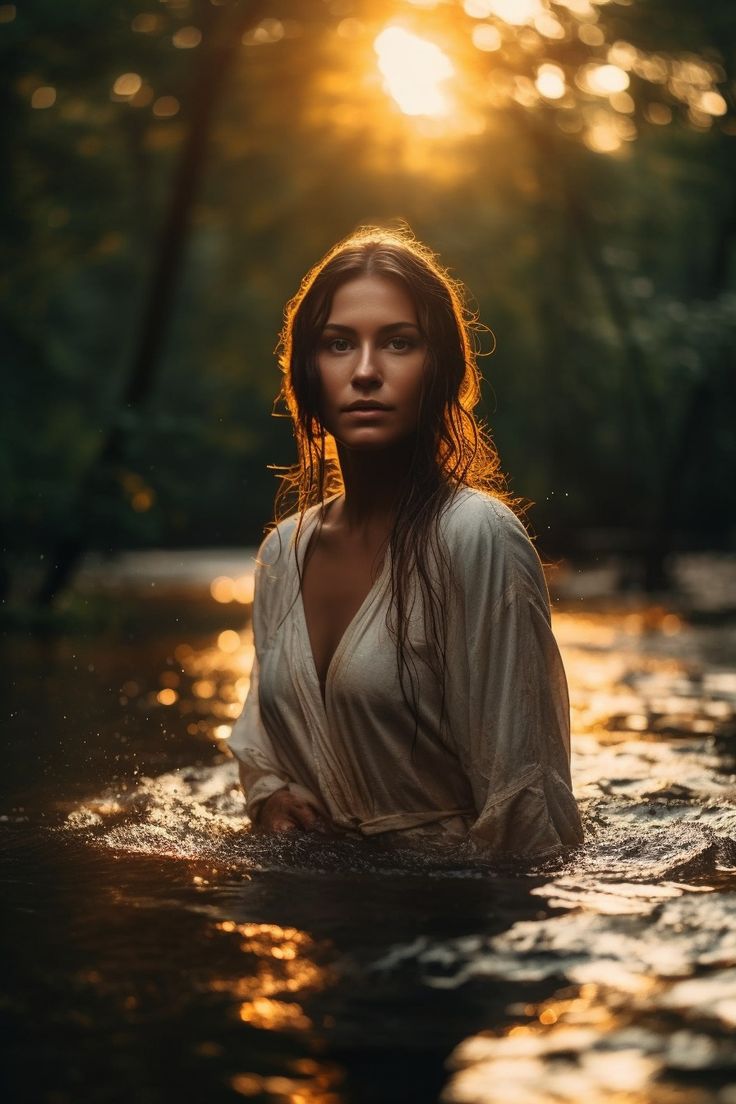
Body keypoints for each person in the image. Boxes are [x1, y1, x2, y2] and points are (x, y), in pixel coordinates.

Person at [228, 225, 584, 858]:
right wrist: (273, 794)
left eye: (398, 343)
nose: (366, 372)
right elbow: (262, 742)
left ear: (440, 370)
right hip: (320, 923)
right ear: (307, 373)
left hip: (449, 920)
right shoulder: (284, 550)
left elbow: (525, 800)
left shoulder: (477, 537)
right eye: (338, 344)